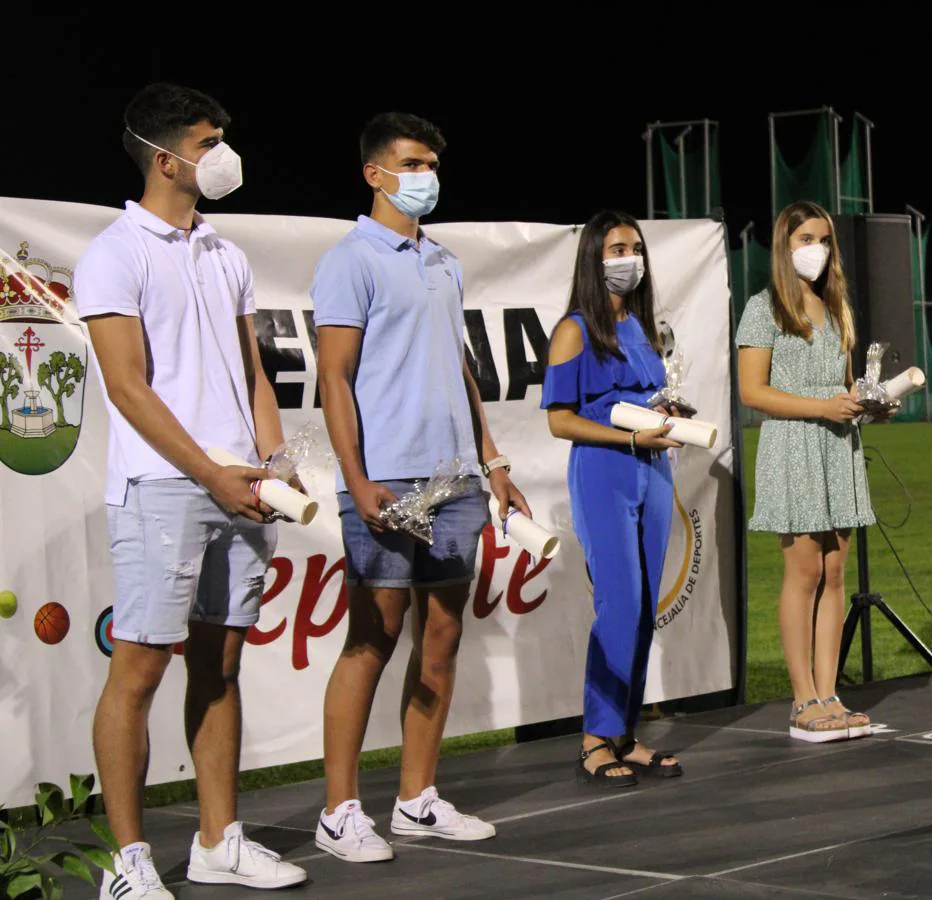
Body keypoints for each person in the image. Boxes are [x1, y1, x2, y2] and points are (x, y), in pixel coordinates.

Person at [78, 82, 308, 899]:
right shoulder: (115, 251)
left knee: (220, 663)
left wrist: (273, 460)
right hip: (164, 487)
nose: (224, 156)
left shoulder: (226, 252)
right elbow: (128, 387)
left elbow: (252, 370)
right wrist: (209, 469)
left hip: (242, 487)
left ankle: (220, 841)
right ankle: (128, 864)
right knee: (138, 670)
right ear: (167, 157)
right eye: (211, 143)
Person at [311, 112, 530, 860]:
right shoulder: (350, 259)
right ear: (374, 173)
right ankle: (340, 811)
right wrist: (356, 477)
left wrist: (493, 461)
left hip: (455, 477)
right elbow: (333, 376)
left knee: (441, 635)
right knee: (370, 639)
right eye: (411, 162)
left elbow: (460, 367)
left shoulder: (442, 260)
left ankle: (417, 799)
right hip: (386, 478)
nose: (425, 175)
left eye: (432, 162)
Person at [541, 209, 685, 787]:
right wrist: (628, 434)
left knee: (646, 608)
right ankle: (596, 738)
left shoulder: (645, 329)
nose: (628, 258)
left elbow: (650, 397)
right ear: (593, 259)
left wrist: (667, 413)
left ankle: (625, 732)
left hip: (654, 470)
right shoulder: (574, 329)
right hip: (604, 471)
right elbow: (560, 421)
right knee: (619, 606)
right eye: (615, 248)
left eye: (634, 247)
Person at [735, 200, 874, 744]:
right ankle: (802, 700)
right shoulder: (763, 308)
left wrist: (867, 402)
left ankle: (828, 692)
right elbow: (752, 392)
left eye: (823, 239)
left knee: (836, 572)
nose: (815, 249)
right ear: (784, 247)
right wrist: (823, 407)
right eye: (804, 239)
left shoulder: (837, 307)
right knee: (804, 573)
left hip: (838, 446)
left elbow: (841, 385)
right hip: (793, 445)